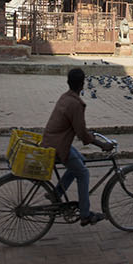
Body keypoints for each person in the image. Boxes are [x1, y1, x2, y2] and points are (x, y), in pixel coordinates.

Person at [42, 68, 114, 226]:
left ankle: (57, 193)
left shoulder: (65, 97)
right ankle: (85, 214)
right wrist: (102, 145)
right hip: (59, 146)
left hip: (53, 141)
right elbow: (82, 133)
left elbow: (79, 129)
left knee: (80, 161)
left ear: (68, 83)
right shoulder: (76, 104)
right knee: (83, 174)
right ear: (82, 84)